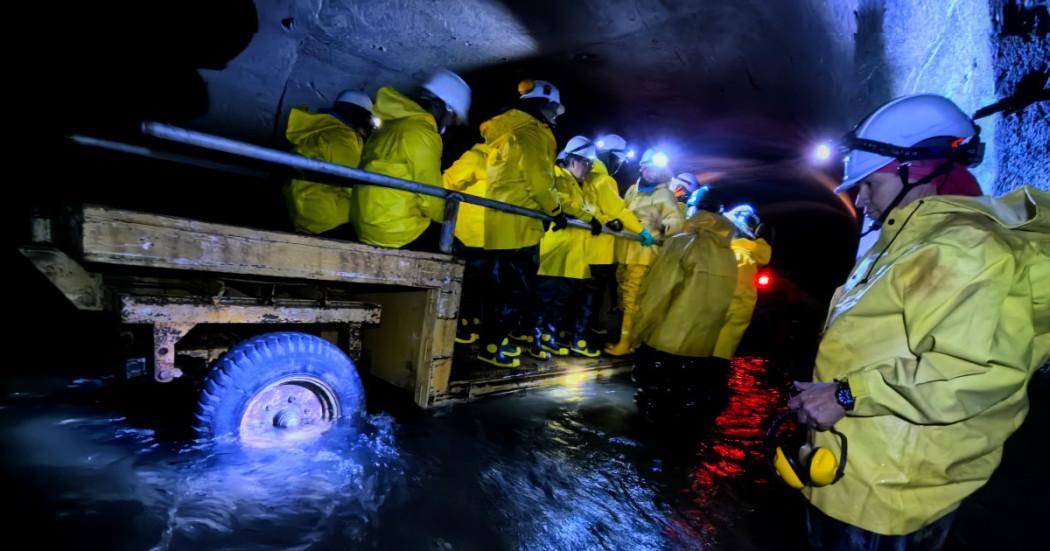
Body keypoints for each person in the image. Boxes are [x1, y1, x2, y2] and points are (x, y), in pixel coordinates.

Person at [787, 94, 1050, 550]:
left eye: (871, 185)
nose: (862, 199)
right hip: (863, 471)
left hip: (886, 497)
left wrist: (848, 393)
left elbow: (972, 373)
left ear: (920, 168)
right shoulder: (912, 241)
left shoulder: (961, 249)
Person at [476, 80, 566, 368]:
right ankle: (491, 348)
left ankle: (491, 343)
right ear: (542, 104)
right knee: (514, 294)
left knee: (498, 291)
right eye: (554, 109)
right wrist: (555, 211)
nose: (556, 116)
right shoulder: (532, 134)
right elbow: (539, 181)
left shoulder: (508, 132)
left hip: (501, 226)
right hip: (520, 229)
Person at [630, 190, 738, 420]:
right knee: (680, 408)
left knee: (651, 406)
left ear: (694, 208)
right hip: (701, 346)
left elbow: (658, 292)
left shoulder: (682, 242)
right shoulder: (728, 253)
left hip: (667, 340)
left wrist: (639, 331)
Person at [349, 69, 471, 250]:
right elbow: (430, 195)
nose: (452, 125)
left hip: (363, 224)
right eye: (453, 119)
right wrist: (450, 218)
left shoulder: (390, 125)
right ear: (445, 108)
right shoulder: (422, 132)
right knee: (460, 246)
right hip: (395, 231)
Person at [530, 137, 604, 359]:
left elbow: (585, 207)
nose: (590, 168)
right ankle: (536, 341)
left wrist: (598, 219)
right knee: (544, 298)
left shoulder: (580, 184)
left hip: (571, 253)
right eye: (587, 163)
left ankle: (548, 339)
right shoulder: (557, 176)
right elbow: (560, 201)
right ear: (573, 160)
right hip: (555, 249)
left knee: (559, 300)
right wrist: (588, 218)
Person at [605, 148, 683, 356]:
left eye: (651, 167)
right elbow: (622, 209)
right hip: (624, 249)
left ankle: (626, 343)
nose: (646, 170)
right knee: (623, 294)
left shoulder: (664, 194)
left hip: (645, 253)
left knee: (633, 297)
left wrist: (663, 225)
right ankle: (630, 339)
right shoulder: (633, 190)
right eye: (645, 166)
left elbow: (677, 221)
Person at [284, 90, 373, 237]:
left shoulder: (319, 132)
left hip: (308, 216)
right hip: (331, 218)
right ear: (362, 116)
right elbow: (355, 181)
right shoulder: (341, 136)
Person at [443, 142, 491, 344]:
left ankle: (469, 322)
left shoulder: (504, 164)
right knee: (466, 283)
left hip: (487, 237)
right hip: (467, 236)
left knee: (479, 285)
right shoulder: (477, 157)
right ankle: (459, 325)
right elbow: (447, 182)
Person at [712, 205, 772, 360]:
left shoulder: (739, 256)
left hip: (715, 339)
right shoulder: (742, 254)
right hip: (722, 337)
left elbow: (732, 297)